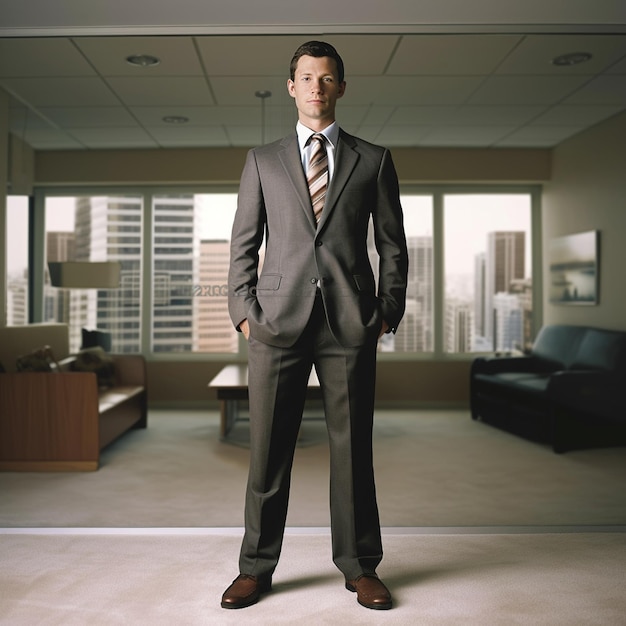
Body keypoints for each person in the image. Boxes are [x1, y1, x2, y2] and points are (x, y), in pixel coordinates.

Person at [222, 40, 408, 611]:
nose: (316, 87)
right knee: (267, 452)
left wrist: (386, 312)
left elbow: (392, 245)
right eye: (306, 77)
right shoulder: (262, 159)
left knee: (353, 454)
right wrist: (243, 314)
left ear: (340, 88)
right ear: (292, 87)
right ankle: (255, 567)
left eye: (326, 78)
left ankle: (360, 568)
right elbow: (244, 243)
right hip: (275, 324)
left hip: (349, 325)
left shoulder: (372, 159)